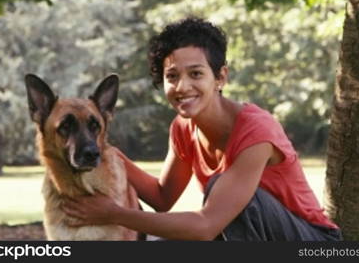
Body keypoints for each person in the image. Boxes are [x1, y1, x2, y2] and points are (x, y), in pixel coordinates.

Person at [62, 17, 342, 241]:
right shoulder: (183, 128)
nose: (182, 87)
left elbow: (206, 226)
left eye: (196, 74)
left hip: (311, 243)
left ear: (220, 77)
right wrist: (106, 150)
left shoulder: (257, 132)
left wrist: (114, 213)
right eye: (172, 76)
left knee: (232, 197)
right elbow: (162, 198)